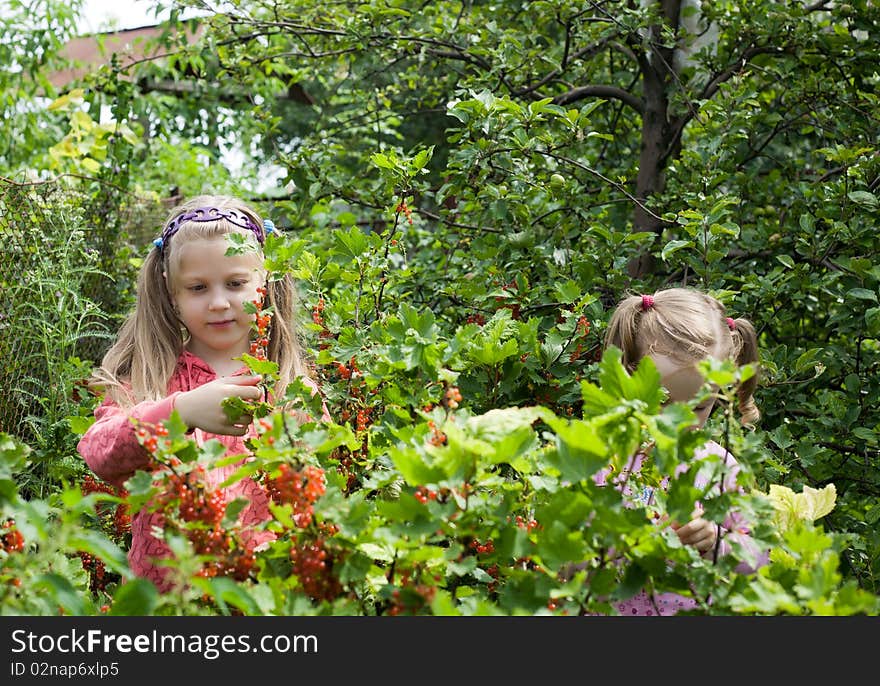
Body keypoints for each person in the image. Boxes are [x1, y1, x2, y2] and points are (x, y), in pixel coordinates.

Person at [77, 194, 327, 591]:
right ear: (172, 297)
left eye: (235, 283)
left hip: (266, 597)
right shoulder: (152, 378)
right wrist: (179, 411)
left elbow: (318, 491)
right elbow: (98, 452)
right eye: (197, 287)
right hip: (170, 599)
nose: (218, 302)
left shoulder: (289, 385)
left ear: (265, 285)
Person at [598, 287, 767, 615]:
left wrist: (715, 541)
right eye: (663, 402)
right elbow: (559, 551)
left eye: (700, 407)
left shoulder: (718, 468)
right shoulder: (601, 459)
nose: (678, 420)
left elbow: (758, 554)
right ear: (627, 376)